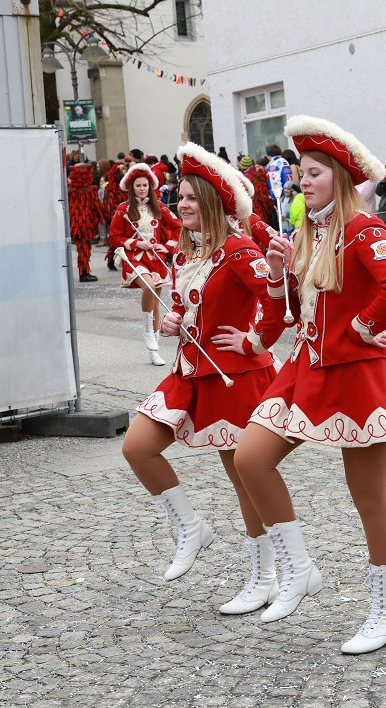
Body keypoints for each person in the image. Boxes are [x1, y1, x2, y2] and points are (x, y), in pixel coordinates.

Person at [234, 115, 386, 655]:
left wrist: (363, 327)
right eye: (301, 172)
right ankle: (299, 570)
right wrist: (277, 271)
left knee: (368, 495)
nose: (305, 180)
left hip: (357, 375)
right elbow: (294, 315)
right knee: (251, 457)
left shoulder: (364, 228)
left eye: (315, 172)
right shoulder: (306, 233)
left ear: (340, 178)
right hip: (304, 369)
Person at [122, 142, 288, 615]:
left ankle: (266, 577)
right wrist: (172, 321)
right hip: (189, 373)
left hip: (235, 378)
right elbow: (182, 305)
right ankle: (190, 527)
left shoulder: (238, 251)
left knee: (244, 481)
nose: (183, 203)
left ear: (214, 203)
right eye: (181, 196)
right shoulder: (183, 255)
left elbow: (281, 297)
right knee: (137, 446)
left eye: (193, 196)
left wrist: (258, 339)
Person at [108, 162, 182, 365]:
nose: (142, 188)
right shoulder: (123, 209)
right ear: (131, 188)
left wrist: (167, 247)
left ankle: (154, 352)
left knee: (156, 302)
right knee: (148, 286)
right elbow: (114, 237)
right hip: (134, 258)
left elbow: (177, 227)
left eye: (145, 185)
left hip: (155, 260)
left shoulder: (158, 207)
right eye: (138, 185)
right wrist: (134, 242)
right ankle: (148, 330)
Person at [67, 163, 105, 282]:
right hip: (86, 224)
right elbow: (97, 207)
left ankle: (84, 271)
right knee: (84, 248)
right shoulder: (89, 190)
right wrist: (103, 217)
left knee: (81, 248)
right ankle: (84, 272)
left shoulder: (70, 190)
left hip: (75, 223)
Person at [266, 143, 294, 228]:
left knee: (284, 225)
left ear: (269, 155)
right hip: (290, 194)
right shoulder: (285, 161)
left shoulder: (274, 164)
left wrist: (275, 197)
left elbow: (275, 182)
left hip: (281, 197)